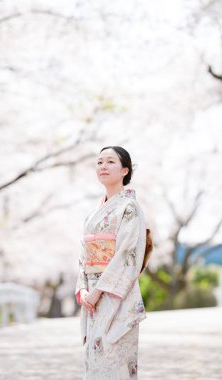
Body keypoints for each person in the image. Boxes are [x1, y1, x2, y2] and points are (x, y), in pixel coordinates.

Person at [75, 146, 147, 379]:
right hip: (93, 293)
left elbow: (127, 254)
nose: (103, 166)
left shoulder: (129, 208)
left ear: (125, 170)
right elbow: (84, 256)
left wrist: (97, 292)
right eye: (99, 162)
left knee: (114, 360)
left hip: (117, 293)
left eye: (110, 162)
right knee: (95, 362)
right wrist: (84, 288)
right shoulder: (91, 215)